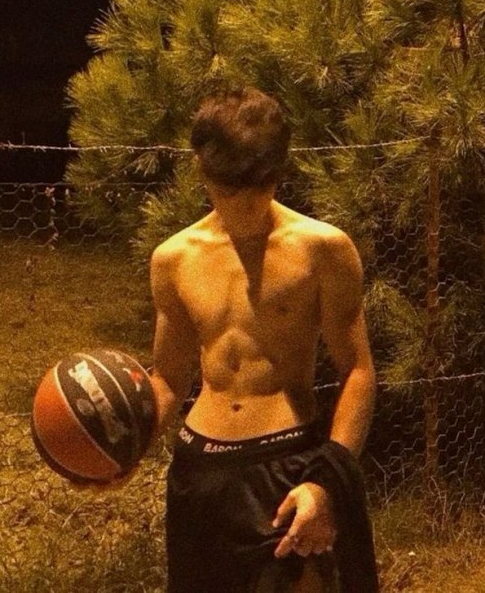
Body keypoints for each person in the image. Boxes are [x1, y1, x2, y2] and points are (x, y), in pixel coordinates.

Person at [148, 87, 378, 593]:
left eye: (260, 188)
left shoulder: (323, 249)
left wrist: (327, 482)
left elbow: (358, 371)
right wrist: (122, 450)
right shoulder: (173, 259)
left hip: (288, 464)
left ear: (278, 172)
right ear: (202, 171)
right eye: (230, 191)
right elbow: (167, 379)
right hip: (199, 473)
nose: (247, 206)